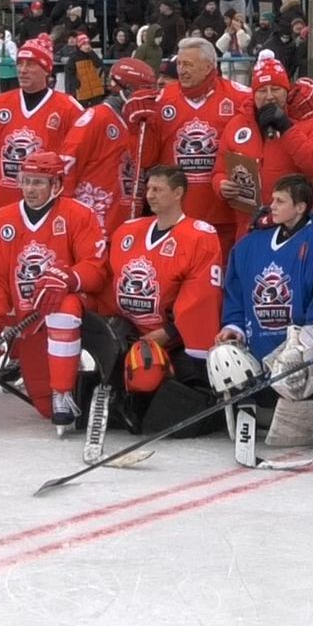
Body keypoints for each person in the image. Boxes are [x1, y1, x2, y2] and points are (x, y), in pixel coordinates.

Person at [0, 151, 107, 432]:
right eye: (26, 181)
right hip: (27, 319)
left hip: (72, 308)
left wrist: (68, 278)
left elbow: (96, 267)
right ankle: (65, 380)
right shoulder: (4, 218)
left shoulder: (78, 214)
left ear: (56, 184)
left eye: (38, 183)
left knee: (63, 306)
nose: (30, 189)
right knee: (43, 409)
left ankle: (64, 394)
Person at [212, 174, 313, 449]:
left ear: (301, 207)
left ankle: (310, 397)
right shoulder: (248, 245)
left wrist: (309, 341)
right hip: (258, 351)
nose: (271, 207)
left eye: (280, 201)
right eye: (272, 201)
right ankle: (248, 402)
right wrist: (233, 326)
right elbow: (235, 293)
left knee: (302, 355)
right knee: (222, 355)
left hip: (298, 348)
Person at [92, 165, 225, 435]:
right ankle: (119, 397)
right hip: (129, 335)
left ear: (178, 193)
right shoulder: (128, 232)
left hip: (173, 341)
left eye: (158, 189)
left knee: (163, 393)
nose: (150, 195)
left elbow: (202, 296)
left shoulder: (199, 236)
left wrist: (169, 332)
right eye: (148, 189)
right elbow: (107, 284)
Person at [124, 37, 254, 252]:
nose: (182, 70)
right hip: (176, 216)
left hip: (224, 215)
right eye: (179, 64)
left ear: (208, 66)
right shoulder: (161, 100)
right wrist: (135, 129)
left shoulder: (241, 97)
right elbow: (145, 159)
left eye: (188, 65)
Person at [215, 54, 313, 238]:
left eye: (276, 89)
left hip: (298, 229)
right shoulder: (237, 124)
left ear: (287, 91)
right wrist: (221, 185)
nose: (269, 96)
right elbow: (219, 170)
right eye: (262, 90)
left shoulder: (312, 121)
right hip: (252, 229)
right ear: (253, 94)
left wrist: (287, 128)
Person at [0, 35, 83, 214]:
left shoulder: (69, 108)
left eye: (30, 64)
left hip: (48, 209)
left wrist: (66, 201)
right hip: (3, 207)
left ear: (47, 70)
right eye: (20, 64)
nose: (23, 70)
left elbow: (75, 162)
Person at [62, 57, 160, 233]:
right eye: (142, 90)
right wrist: (64, 211)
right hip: (94, 222)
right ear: (124, 89)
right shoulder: (97, 117)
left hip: (128, 221)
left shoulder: (143, 122)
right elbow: (69, 162)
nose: (148, 97)